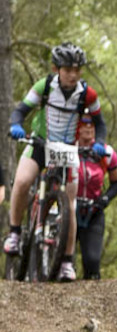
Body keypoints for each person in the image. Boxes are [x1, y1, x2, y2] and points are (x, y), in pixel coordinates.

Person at [7, 45, 106, 282]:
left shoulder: (88, 94)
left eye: (77, 70)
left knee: (70, 204)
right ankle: (15, 233)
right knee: (22, 181)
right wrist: (16, 125)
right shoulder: (44, 86)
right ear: (56, 69)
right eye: (68, 70)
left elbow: (100, 123)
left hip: (67, 149)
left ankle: (66, 262)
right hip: (41, 144)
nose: (73, 75)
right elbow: (21, 110)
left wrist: (100, 143)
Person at [73, 116, 117, 280]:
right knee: (63, 262)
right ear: (77, 127)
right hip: (68, 211)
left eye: (92, 125)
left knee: (92, 262)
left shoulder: (106, 152)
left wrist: (105, 199)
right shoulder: (67, 148)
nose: (88, 128)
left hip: (93, 211)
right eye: (84, 124)